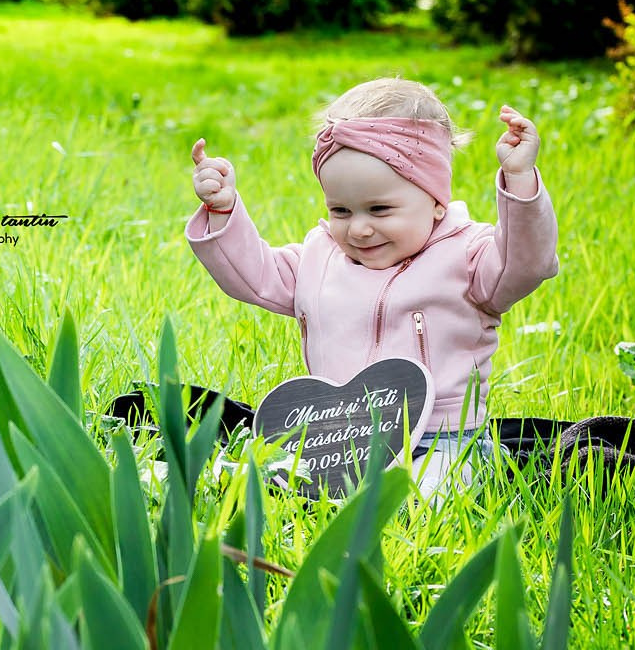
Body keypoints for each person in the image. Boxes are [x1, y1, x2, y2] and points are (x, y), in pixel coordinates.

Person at [186, 77, 558, 502]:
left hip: (441, 441)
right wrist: (222, 211)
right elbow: (254, 275)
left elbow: (527, 263)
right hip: (337, 439)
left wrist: (520, 181)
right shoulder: (320, 260)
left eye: (380, 209)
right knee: (258, 481)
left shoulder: (469, 258)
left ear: (436, 200)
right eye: (341, 210)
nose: (359, 229)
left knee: (419, 496)